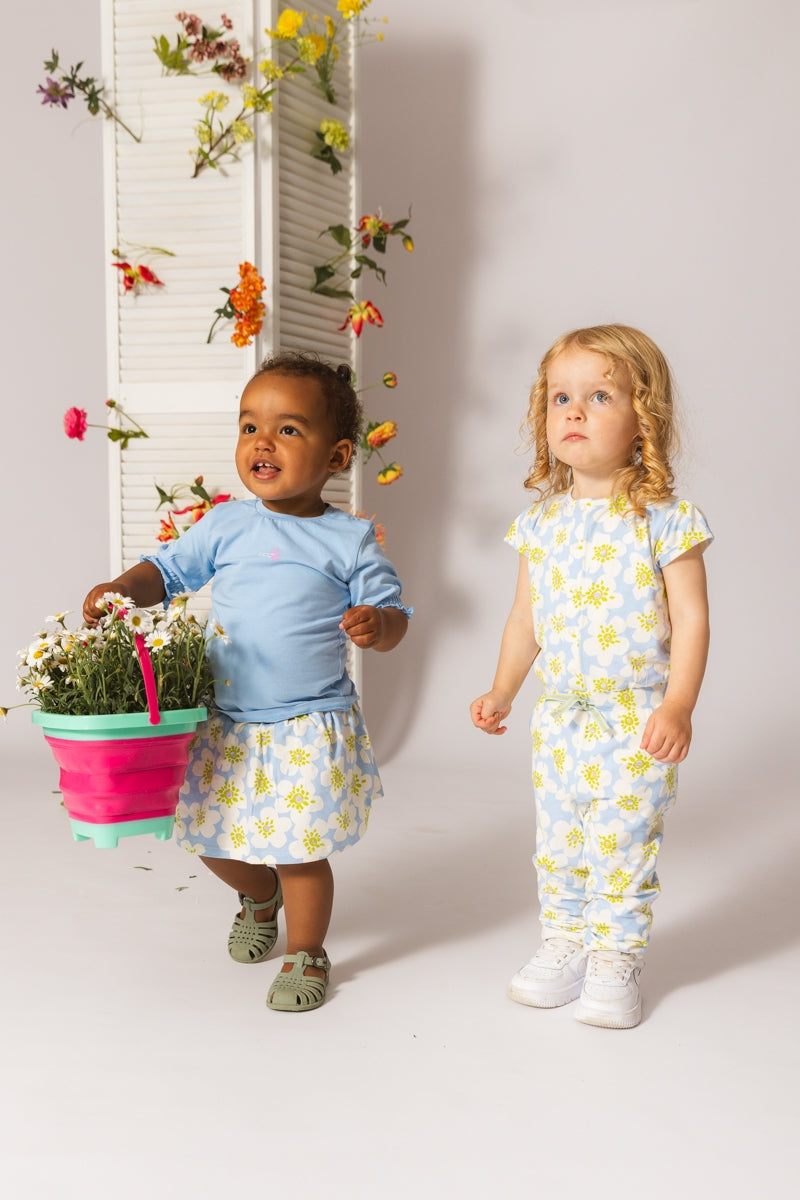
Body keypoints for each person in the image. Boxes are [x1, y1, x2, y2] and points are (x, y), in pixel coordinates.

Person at [83, 352, 411, 1013]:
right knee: (205, 833)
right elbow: (164, 571)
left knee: (299, 849)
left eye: (288, 429)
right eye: (249, 426)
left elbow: (395, 613)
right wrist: (122, 587)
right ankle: (260, 897)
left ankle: (306, 951)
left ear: (337, 455)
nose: (263, 442)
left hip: (306, 722)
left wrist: (378, 624)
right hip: (225, 718)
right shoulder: (226, 524)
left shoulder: (348, 539)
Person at [470, 325, 711, 1029]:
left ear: (645, 416)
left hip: (634, 717)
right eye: (560, 398)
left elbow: (692, 621)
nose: (574, 411)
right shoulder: (540, 524)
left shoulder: (666, 521)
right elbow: (525, 619)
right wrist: (503, 690)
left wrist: (678, 705)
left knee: (623, 840)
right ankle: (565, 942)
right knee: (559, 840)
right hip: (559, 718)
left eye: (599, 396)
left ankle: (615, 956)